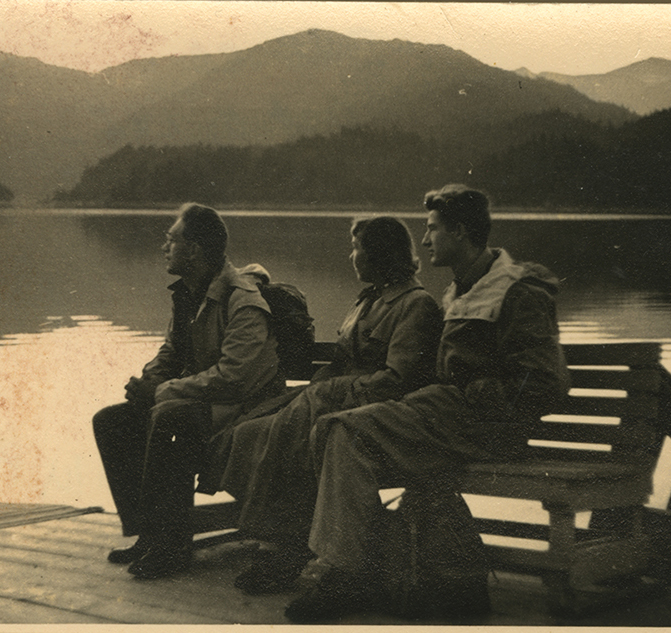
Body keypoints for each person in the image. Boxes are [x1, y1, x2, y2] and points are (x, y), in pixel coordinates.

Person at [284, 184, 571, 622]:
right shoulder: (460, 291)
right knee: (337, 430)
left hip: (487, 428)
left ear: (459, 231)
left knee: (343, 429)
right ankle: (350, 571)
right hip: (447, 419)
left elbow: (546, 382)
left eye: (433, 229)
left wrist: (471, 395)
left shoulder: (516, 291)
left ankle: (345, 575)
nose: (424, 240)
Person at [198, 216, 443, 594]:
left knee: (288, 435)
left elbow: (398, 381)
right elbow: (342, 360)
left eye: (358, 247)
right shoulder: (367, 300)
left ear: (379, 253)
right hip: (333, 399)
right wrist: (318, 388)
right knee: (248, 432)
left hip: (368, 412)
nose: (352, 256)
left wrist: (330, 392)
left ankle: (282, 550)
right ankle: (283, 540)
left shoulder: (416, 304)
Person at [92, 202, 284, 580]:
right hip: (204, 400)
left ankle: (172, 546)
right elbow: (171, 350)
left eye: (171, 240)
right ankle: (149, 533)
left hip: (247, 409)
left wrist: (164, 392)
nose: (164, 247)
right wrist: (149, 382)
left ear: (194, 249)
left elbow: (234, 378)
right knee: (112, 420)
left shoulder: (242, 299)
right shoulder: (188, 294)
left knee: (169, 416)